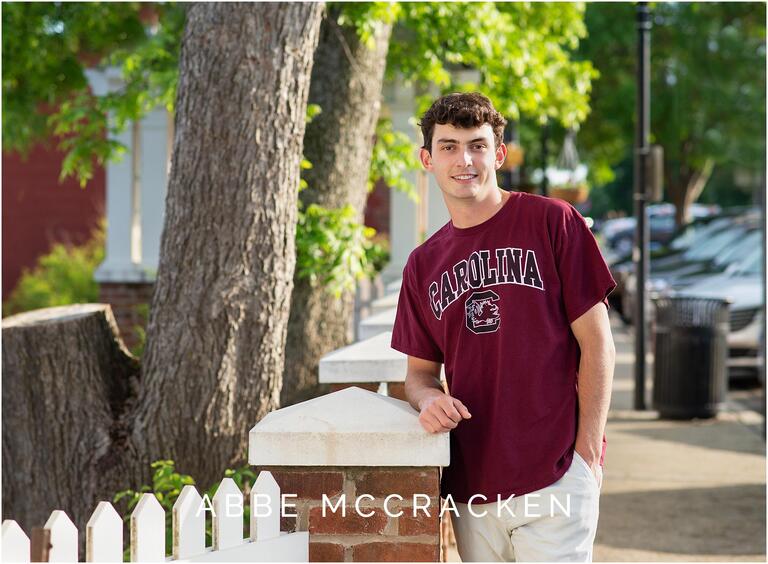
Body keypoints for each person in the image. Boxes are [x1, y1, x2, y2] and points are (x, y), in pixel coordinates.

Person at [390, 92, 616, 562]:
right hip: (472, 484)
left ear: (498, 153)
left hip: (554, 474)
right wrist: (429, 399)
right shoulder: (422, 265)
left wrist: (586, 455)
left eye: (476, 145)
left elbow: (598, 345)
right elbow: (419, 375)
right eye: (449, 147)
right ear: (427, 160)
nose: (464, 159)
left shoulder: (553, 221)